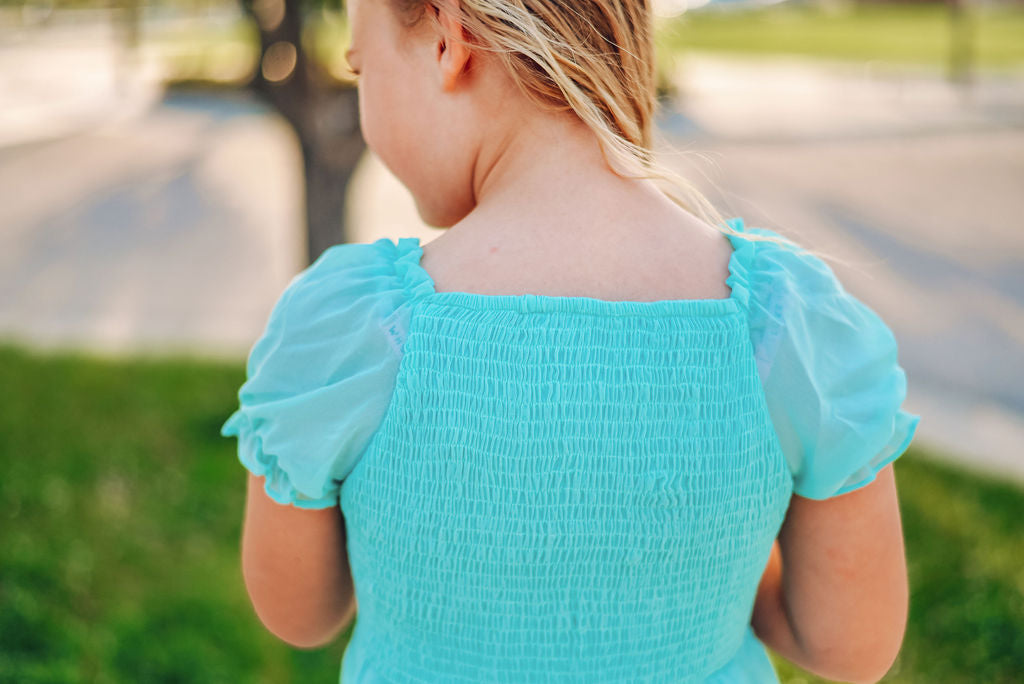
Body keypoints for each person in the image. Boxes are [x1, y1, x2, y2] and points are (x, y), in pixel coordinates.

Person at [220, 0, 921, 681]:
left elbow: (298, 614)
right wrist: (710, 552)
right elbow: (851, 648)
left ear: (446, 38)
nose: (363, 103)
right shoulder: (789, 324)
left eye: (358, 69)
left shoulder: (344, 329)